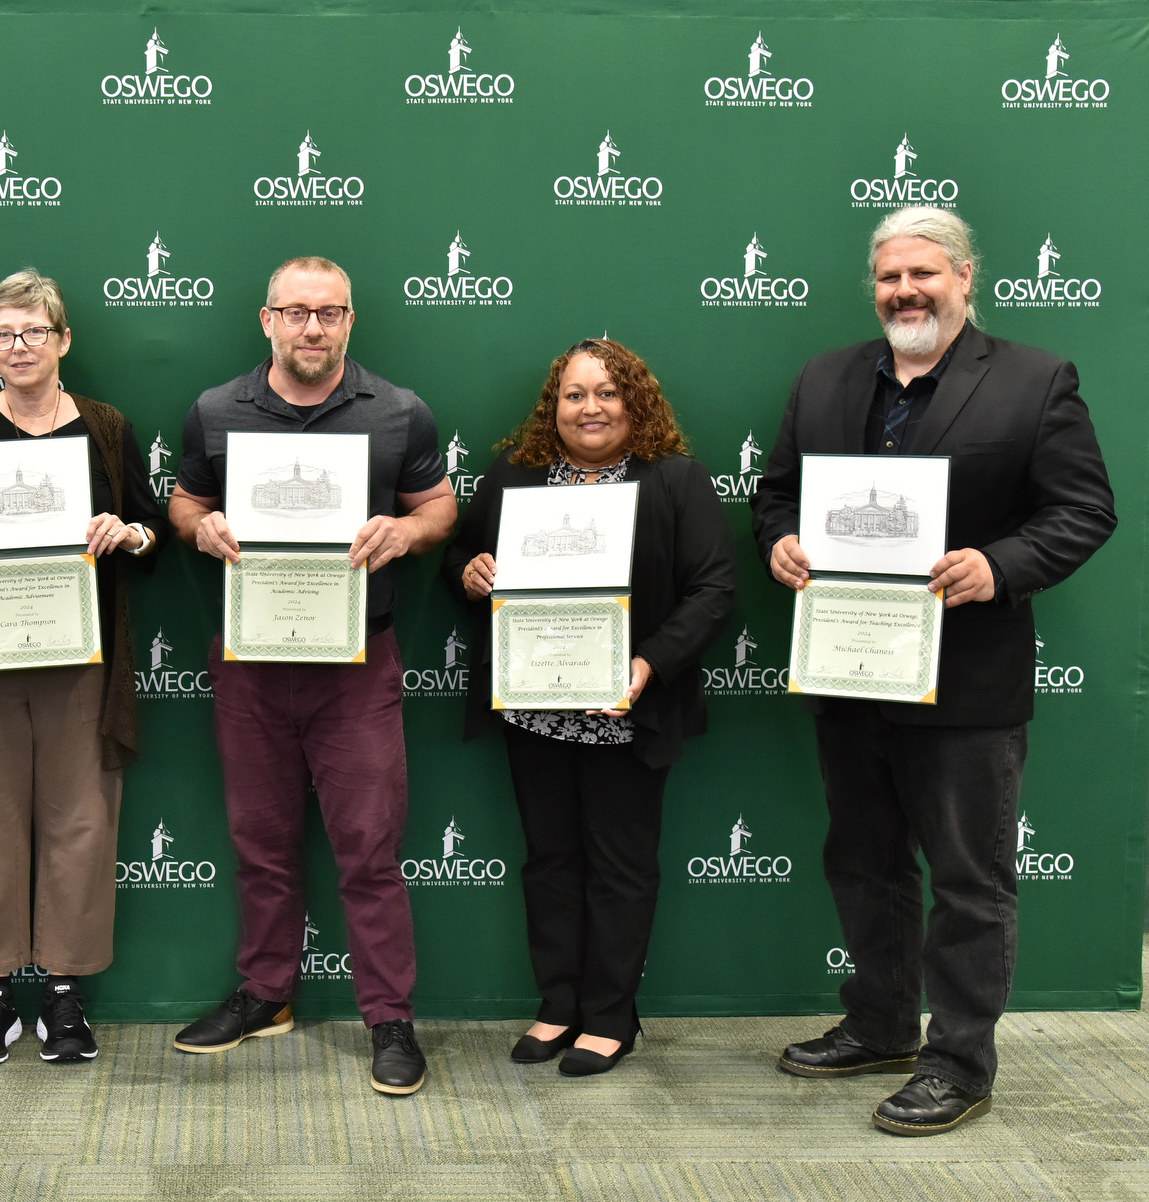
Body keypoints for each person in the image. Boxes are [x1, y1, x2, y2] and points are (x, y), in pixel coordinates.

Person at [752, 207, 1115, 1135]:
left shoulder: (1036, 380)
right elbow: (777, 492)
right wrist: (781, 541)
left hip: (968, 682)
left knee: (968, 880)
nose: (905, 292)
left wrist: (1000, 566)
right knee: (863, 862)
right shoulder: (825, 376)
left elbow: (1082, 511)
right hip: (848, 664)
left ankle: (959, 1062)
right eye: (888, 278)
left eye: (923, 274)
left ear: (965, 277)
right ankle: (879, 1024)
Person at [167, 256, 457, 1096]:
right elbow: (184, 502)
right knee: (260, 841)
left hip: (355, 662)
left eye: (329, 313)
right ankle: (266, 994)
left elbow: (439, 506)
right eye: (295, 313)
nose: (312, 328)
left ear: (350, 322)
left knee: (368, 848)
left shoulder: (399, 411)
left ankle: (390, 1019)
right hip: (252, 659)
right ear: (267, 320)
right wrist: (201, 527)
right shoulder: (215, 410)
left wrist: (407, 535)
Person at [441, 339, 735, 1076]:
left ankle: (609, 1017)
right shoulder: (516, 474)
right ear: (554, 405)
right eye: (575, 394)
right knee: (549, 863)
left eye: (607, 393)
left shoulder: (675, 479)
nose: (591, 407)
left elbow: (714, 590)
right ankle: (558, 1006)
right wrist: (471, 573)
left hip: (626, 711)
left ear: (635, 402)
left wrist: (648, 666)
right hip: (534, 708)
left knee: (620, 868)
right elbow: (464, 561)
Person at [0, 269, 169, 1066]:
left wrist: (127, 534)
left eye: (33, 333)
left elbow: (150, 527)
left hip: (79, 657)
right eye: (2, 335)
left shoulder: (105, 426)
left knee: (81, 821)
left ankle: (64, 991)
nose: (17, 348)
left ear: (63, 341)